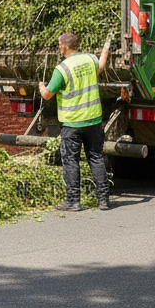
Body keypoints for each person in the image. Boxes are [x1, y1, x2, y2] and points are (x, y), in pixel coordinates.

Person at [39, 33, 112, 211]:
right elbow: (101, 65)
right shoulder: (90, 59)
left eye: (59, 45)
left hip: (72, 124)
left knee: (71, 160)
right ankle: (103, 200)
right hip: (93, 121)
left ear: (63, 47)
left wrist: (41, 86)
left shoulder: (62, 69)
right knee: (96, 158)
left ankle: (73, 201)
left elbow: (48, 95)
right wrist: (107, 45)